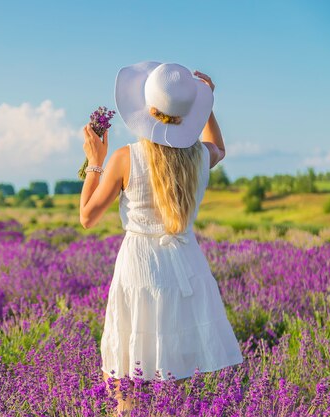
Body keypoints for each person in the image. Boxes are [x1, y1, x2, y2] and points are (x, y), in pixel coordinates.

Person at [79, 61, 244, 416]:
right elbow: (218, 147)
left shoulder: (126, 158)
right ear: (187, 114)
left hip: (141, 269)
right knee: (177, 381)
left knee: (128, 381)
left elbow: (87, 217)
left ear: (146, 108)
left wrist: (95, 161)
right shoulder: (198, 157)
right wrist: (208, 108)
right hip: (186, 267)